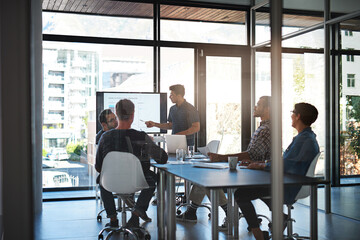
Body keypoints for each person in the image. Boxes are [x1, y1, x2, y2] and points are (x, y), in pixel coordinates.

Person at [176, 96, 272, 230]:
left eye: (259, 104)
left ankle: (223, 212)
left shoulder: (266, 129)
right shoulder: (263, 127)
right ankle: (195, 212)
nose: (255, 107)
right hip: (251, 168)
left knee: (208, 178)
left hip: (256, 173)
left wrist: (222, 157)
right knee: (206, 175)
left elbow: (252, 155)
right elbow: (252, 154)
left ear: (268, 109)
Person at [234, 102, 320, 240]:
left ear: (297, 116)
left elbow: (286, 165)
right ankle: (280, 218)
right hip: (289, 182)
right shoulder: (305, 137)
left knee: (241, 194)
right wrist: (260, 163)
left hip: (290, 186)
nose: (291, 116)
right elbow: (286, 162)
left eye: (293, 112)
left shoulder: (304, 140)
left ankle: (259, 236)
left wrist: (261, 166)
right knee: (250, 189)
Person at [96, 99, 168, 228]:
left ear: (117, 115)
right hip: (136, 181)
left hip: (110, 182)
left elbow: (98, 166)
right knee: (152, 179)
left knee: (101, 179)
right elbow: (162, 158)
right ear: (133, 115)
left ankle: (113, 219)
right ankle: (135, 216)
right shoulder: (140, 136)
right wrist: (149, 144)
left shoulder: (104, 137)